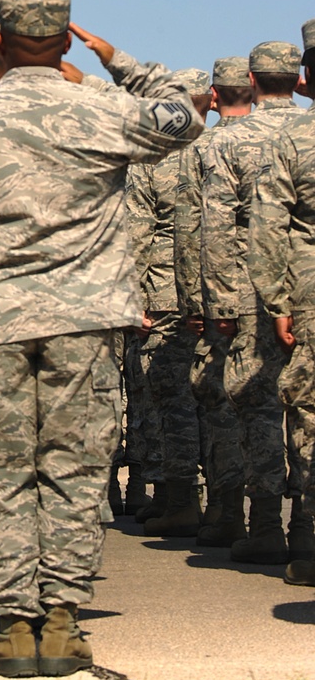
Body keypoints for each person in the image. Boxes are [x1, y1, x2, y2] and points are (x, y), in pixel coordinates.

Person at [0, 0, 203, 677]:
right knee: (75, 467)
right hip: (85, 320)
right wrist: (114, 63)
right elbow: (185, 113)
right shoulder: (102, 109)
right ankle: (62, 620)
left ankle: (12, 623)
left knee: (2, 469)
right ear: (66, 42)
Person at [200, 40, 304, 565]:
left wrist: (219, 303)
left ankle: (264, 524)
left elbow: (215, 225)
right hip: (307, 281)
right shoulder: (308, 130)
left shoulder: (225, 141)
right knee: (308, 405)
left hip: (251, 286)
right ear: (298, 80)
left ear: (253, 80)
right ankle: (305, 523)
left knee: (257, 402)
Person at [126, 70, 212, 538]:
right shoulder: (218, 147)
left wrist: (131, 297)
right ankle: (223, 503)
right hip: (221, 293)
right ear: (209, 100)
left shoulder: (152, 157)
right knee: (217, 397)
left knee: (171, 395)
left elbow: (137, 233)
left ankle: (179, 499)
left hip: (165, 293)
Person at [248, 19, 315, 585]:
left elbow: (269, 226)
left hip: (310, 292)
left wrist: (276, 301)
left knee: (311, 417)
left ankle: (310, 539)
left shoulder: (293, 141)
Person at [175, 56, 252, 546]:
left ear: (216, 95)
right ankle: (295, 523)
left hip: (227, 295)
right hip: (292, 293)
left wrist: (194, 303)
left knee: (223, 401)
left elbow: (193, 231)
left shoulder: (205, 147)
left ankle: (230, 512)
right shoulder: (300, 134)